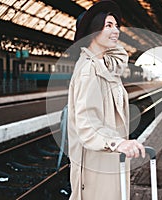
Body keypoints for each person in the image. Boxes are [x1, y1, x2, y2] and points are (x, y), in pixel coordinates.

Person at [67, 1, 145, 199]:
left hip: (108, 157)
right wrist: (117, 144)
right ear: (93, 32)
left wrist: (108, 39)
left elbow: (121, 56)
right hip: (96, 163)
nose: (116, 30)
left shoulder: (105, 64)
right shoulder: (88, 70)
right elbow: (86, 123)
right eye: (108, 25)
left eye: (117, 25)